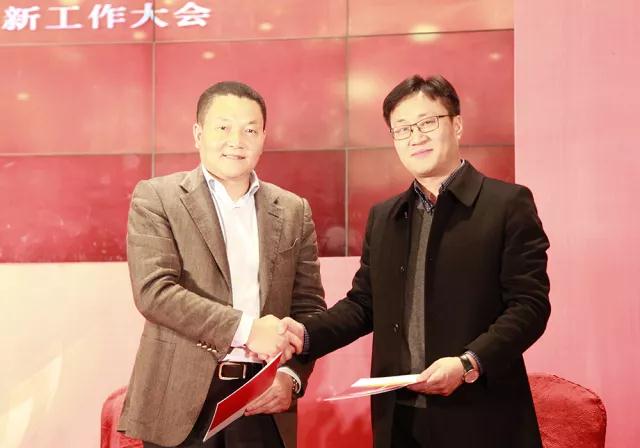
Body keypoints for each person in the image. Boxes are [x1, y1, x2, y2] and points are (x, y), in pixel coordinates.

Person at [284, 74, 551, 448]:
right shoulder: (385, 216)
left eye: (427, 123)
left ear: (457, 125)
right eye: (403, 129)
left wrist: (468, 363)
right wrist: (305, 334)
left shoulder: (507, 204)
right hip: (399, 420)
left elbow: (529, 307)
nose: (416, 137)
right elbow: (363, 305)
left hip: (482, 416)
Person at [118, 81, 326, 448]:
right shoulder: (157, 197)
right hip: (179, 401)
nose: (237, 141)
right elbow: (154, 291)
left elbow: (309, 309)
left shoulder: (294, 210)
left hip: (262, 400)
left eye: (250, 130)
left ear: (264, 138)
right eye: (223, 127)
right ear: (198, 134)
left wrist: (292, 377)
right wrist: (247, 330)